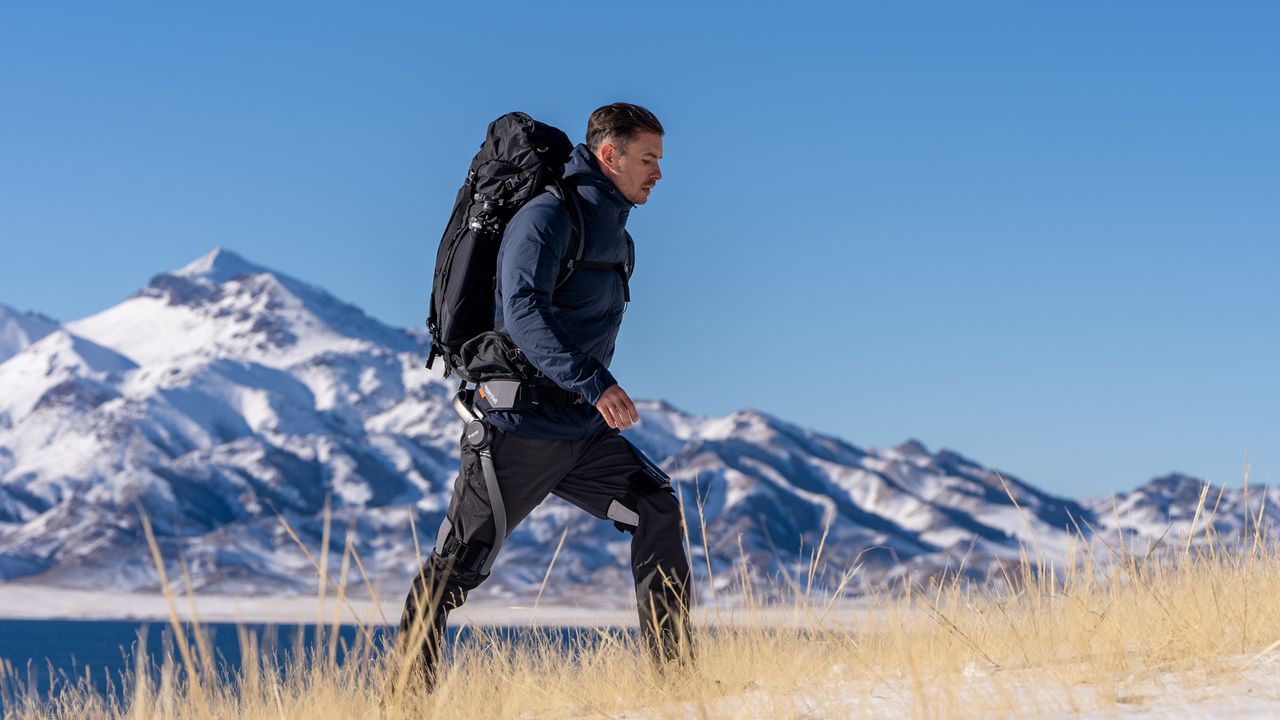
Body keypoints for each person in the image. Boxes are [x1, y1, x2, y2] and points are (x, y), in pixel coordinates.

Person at [397, 103, 693, 690]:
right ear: (610, 156)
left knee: (657, 507)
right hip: (520, 426)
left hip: (579, 430)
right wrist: (597, 382)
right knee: (457, 566)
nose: (658, 172)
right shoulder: (548, 216)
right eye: (648, 159)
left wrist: (589, 392)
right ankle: (399, 698)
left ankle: (677, 685)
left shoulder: (613, 227)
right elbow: (525, 315)